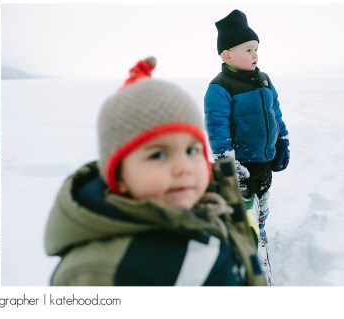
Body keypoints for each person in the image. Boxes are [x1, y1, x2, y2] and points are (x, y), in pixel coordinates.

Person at [44, 77, 266, 286]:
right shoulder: (102, 272)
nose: (184, 167)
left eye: (191, 150)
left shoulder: (209, 206)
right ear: (120, 176)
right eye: (159, 154)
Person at [204, 9, 290, 245]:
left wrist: (282, 140)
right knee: (241, 205)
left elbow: (275, 112)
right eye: (248, 50)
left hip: (264, 159)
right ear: (227, 55)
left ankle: (259, 228)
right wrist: (226, 160)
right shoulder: (220, 87)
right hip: (240, 164)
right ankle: (239, 237)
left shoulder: (264, 80)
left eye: (256, 49)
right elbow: (217, 126)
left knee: (263, 198)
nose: (255, 55)